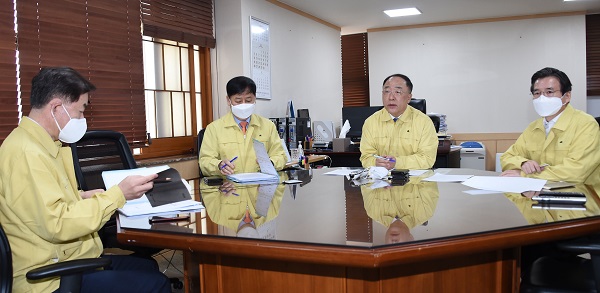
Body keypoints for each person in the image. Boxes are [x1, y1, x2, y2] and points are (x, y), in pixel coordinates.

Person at [0, 67, 170, 293]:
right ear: (56, 108)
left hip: (69, 259)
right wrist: (118, 195)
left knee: (148, 267)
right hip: (51, 277)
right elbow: (58, 224)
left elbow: (39, 203)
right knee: (156, 285)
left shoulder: (47, 145)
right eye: (80, 111)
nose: (83, 118)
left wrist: (80, 196)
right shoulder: (27, 153)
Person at [500, 67, 600, 185]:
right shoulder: (533, 127)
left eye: (549, 92)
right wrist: (523, 163)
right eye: (537, 93)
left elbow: (576, 171)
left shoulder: (585, 124)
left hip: (581, 196)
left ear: (567, 96)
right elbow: (507, 157)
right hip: (540, 194)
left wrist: (525, 175)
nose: (542, 98)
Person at [199, 76, 287, 176]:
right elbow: (205, 161)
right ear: (228, 100)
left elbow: (281, 156)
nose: (244, 105)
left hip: (260, 187)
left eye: (248, 100)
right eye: (238, 101)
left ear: (255, 99)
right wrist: (218, 165)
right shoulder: (214, 128)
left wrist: (270, 163)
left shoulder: (268, 126)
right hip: (228, 188)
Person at [359, 74, 438, 170]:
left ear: (409, 98)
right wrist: (375, 162)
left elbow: (427, 159)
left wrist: (397, 163)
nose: (391, 97)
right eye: (387, 91)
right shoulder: (371, 122)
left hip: (415, 182)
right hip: (381, 181)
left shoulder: (424, 122)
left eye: (398, 92)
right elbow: (366, 157)